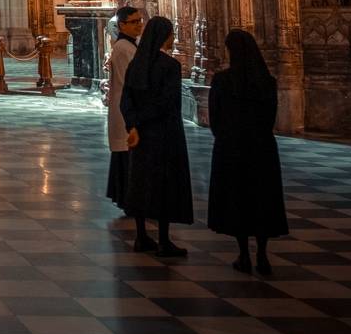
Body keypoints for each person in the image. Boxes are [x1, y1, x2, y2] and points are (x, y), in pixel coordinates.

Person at [207, 29, 288, 274]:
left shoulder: (222, 81)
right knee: (261, 198)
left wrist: (225, 136)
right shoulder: (267, 82)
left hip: (231, 147)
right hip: (262, 147)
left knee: (237, 199)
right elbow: (270, 117)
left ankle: (243, 254)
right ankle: (262, 254)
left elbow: (215, 119)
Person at [121, 14, 193, 256]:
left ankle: (141, 236)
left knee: (141, 183)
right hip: (163, 133)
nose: (172, 38)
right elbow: (167, 103)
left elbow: (126, 100)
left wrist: (132, 125)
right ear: (163, 36)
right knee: (164, 185)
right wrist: (143, 121)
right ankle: (163, 240)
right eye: (170, 33)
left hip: (139, 135)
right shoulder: (169, 66)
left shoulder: (136, 65)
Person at [105, 6, 144, 217]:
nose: (139, 24)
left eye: (140, 21)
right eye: (134, 21)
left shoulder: (128, 46)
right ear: (122, 25)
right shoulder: (123, 48)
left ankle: (126, 197)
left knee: (126, 155)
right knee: (125, 155)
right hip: (124, 108)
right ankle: (127, 198)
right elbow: (128, 80)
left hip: (124, 106)